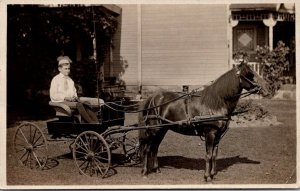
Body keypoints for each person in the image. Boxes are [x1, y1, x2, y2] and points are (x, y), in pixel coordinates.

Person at [50, 57, 102, 123]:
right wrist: (65, 97)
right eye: (65, 69)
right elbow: (53, 95)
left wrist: (74, 97)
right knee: (79, 105)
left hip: (71, 102)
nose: (68, 71)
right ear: (59, 69)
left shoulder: (70, 80)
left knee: (86, 104)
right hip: (60, 103)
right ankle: (91, 123)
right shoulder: (56, 80)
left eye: (68, 69)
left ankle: (96, 122)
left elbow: (73, 92)